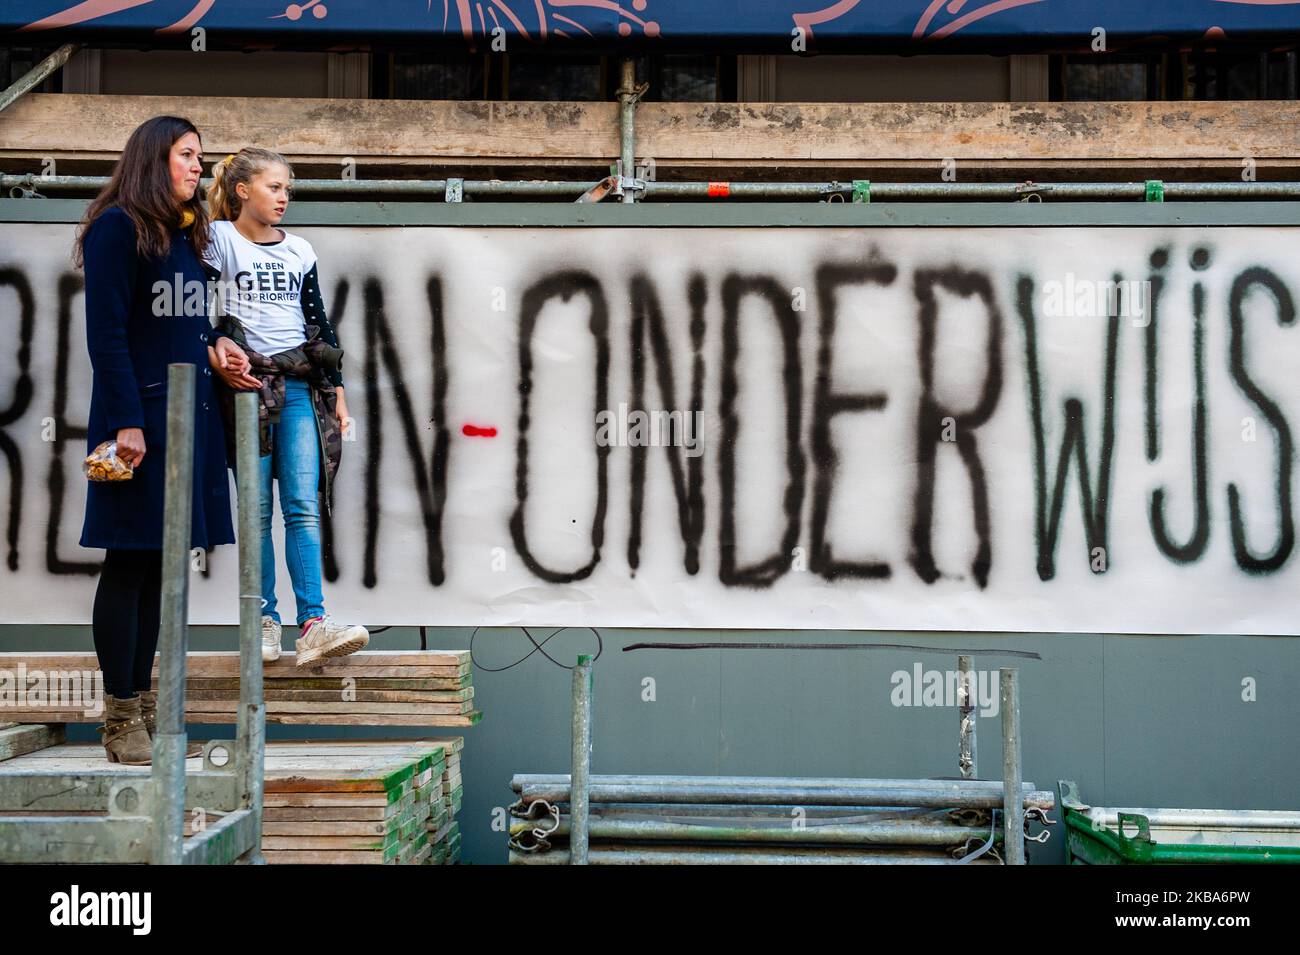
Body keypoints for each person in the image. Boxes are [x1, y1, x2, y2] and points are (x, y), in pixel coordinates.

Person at [76, 116, 251, 764]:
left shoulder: (186, 239)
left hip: (189, 423)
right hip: (139, 426)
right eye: (187, 157)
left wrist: (217, 349)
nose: (197, 171)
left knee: (159, 566)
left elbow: (184, 329)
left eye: (200, 160)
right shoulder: (117, 229)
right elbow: (108, 335)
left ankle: (146, 705)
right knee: (127, 561)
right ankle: (120, 714)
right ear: (155, 158)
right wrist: (126, 423)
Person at [203, 146, 369, 668]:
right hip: (246, 386)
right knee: (254, 511)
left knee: (301, 504)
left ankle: (314, 623)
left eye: (288, 189)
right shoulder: (218, 239)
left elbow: (317, 320)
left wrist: (338, 388)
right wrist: (213, 353)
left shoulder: (300, 249)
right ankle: (262, 620)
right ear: (242, 190)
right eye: (275, 187)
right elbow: (195, 309)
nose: (284, 197)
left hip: (298, 385)